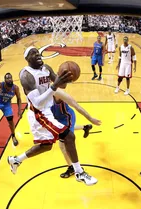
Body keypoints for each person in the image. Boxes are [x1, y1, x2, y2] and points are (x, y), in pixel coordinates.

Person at [7, 46, 98, 186]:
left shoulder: (46, 68)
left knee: (46, 146)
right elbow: (37, 103)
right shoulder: (26, 76)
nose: (37, 54)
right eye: (33, 53)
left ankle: (16, 160)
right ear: (27, 59)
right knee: (69, 136)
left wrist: (66, 76)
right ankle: (79, 172)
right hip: (38, 113)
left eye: (38, 52)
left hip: (46, 111)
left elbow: (62, 86)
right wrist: (54, 85)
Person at [52, 87, 102, 178]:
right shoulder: (42, 94)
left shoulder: (57, 93)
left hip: (67, 118)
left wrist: (90, 118)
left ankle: (71, 167)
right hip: (58, 119)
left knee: (62, 145)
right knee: (67, 132)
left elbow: (77, 106)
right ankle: (85, 127)